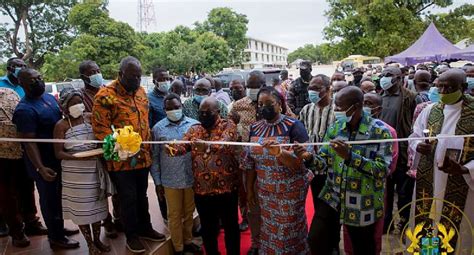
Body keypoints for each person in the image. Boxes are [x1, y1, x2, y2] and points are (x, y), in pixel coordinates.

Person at [299, 86, 393, 255]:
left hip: (362, 202)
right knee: (316, 239)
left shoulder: (380, 132)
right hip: (333, 196)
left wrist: (350, 157)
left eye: (340, 107)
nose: (335, 110)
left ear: (356, 107)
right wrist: (308, 157)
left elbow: (382, 170)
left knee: (363, 248)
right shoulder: (336, 128)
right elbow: (323, 163)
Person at [92, 56, 165, 253]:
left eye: (140, 76)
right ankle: (131, 236)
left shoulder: (141, 91)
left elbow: (146, 121)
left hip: (143, 157)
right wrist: (122, 147)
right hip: (122, 160)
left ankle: (146, 228)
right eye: (133, 76)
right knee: (128, 198)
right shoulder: (106, 95)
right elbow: (101, 128)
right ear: (121, 74)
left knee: (142, 195)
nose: (137, 80)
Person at [13, 68, 80, 249]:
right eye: (33, 80)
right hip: (43, 163)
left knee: (58, 197)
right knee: (49, 199)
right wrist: (40, 167)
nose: (39, 82)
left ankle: (58, 228)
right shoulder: (25, 110)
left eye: (40, 78)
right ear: (22, 84)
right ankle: (56, 238)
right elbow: (28, 143)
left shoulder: (48, 98)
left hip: (57, 158)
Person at [229, 70, 294, 255]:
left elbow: (291, 121)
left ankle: (273, 241)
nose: (251, 89)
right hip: (249, 161)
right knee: (251, 203)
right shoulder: (239, 104)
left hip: (275, 164)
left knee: (272, 208)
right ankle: (256, 242)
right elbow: (230, 122)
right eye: (249, 86)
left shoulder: (276, 100)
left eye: (255, 86)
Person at [410, 69, 474, 250]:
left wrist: (465, 169)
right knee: (428, 225)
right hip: (429, 181)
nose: (444, 92)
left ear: (464, 87)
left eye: (449, 87)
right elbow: (414, 136)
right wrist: (418, 146)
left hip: (463, 184)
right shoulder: (430, 111)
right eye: (440, 87)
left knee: (459, 233)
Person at [169, 97, 241, 255]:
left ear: (217, 112)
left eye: (207, 113)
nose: (203, 116)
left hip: (226, 189)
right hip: (203, 190)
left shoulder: (228, 125)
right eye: (200, 113)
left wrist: (206, 146)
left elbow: (225, 144)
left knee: (230, 226)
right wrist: (172, 149)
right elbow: (182, 147)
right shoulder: (194, 129)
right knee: (208, 228)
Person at [244, 86, 311, 254]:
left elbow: (302, 164)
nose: (264, 107)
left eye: (269, 103)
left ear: (280, 104)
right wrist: (250, 191)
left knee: (288, 230)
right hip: (265, 191)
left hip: (290, 191)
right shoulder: (255, 128)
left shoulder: (294, 126)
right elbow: (250, 162)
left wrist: (280, 153)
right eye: (260, 104)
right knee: (270, 230)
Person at [53, 88, 111, 255]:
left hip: (94, 170)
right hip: (75, 175)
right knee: (82, 210)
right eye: (73, 104)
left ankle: (97, 240)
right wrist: (78, 157)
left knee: (97, 208)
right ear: (65, 107)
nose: (78, 106)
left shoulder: (90, 118)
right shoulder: (61, 125)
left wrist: (104, 149)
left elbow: (101, 139)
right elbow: (58, 153)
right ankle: (89, 243)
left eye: (80, 102)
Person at [342, 92, 399, 255]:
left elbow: (388, 168)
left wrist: (352, 159)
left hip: (371, 192)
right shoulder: (344, 127)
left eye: (369, 104)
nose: (365, 107)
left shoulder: (386, 131)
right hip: (348, 193)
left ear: (378, 109)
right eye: (362, 102)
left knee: (370, 237)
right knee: (349, 236)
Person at [0, 57, 47, 240]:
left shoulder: (26, 89)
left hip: (23, 149)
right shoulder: (2, 87)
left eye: (23, 66)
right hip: (4, 151)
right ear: (9, 69)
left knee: (27, 187)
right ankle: (16, 230)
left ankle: (31, 222)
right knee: (7, 192)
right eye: (17, 66)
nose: (20, 69)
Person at [150, 93, 201, 255]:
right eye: (170, 108)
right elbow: (155, 157)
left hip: (190, 178)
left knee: (189, 213)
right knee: (174, 215)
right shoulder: (158, 129)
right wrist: (157, 182)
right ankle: (178, 248)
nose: (174, 110)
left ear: (182, 107)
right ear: (164, 110)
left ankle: (188, 241)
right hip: (170, 180)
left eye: (177, 107)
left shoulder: (195, 126)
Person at [78, 60, 120, 238]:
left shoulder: (108, 90)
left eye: (98, 70)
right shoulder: (79, 96)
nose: (96, 73)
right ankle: (107, 220)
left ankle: (119, 218)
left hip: (114, 145)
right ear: (83, 76)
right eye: (92, 71)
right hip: (94, 148)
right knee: (100, 187)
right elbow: (81, 118)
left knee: (118, 185)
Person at [378, 67, 418, 233]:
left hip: (401, 152)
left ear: (399, 77)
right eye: (383, 74)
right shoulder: (380, 96)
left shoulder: (410, 97)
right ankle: (386, 224)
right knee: (385, 192)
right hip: (383, 152)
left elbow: (414, 124)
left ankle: (404, 223)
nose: (384, 78)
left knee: (403, 193)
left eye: (389, 75)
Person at [298, 74, 335, 236]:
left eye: (317, 88)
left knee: (332, 209)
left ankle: (333, 243)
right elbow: (301, 134)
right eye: (310, 88)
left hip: (333, 169)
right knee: (318, 203)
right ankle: (324, 241)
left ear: (328, 90)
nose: (312, 91)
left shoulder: (337, 109)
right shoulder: (306, 110)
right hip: (313, 168)